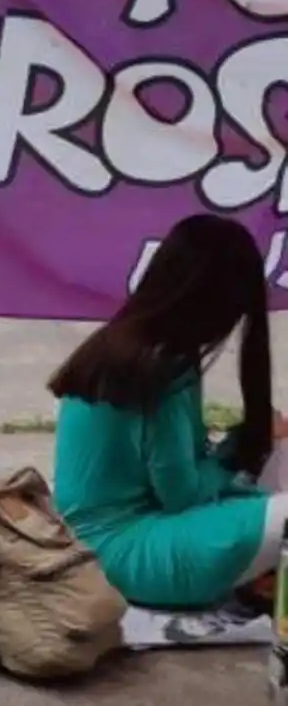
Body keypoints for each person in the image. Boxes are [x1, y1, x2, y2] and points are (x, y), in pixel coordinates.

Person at [49, 214, 288, 610]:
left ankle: (262, 570)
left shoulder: (128, 345)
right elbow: (183, 495)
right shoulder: (161, 369)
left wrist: (249, 447)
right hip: (125, 551)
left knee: (276, 446)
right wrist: (237, 452)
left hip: (105, 542)